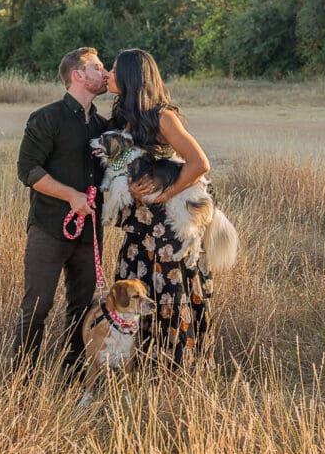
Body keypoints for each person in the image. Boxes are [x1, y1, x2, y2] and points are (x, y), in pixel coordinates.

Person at [107, 48, 215, 368]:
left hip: (164, 229)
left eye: (114, 70)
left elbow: (199, 163)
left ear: (130, 77)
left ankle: (173, 370)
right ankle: (136, 366)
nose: (109, 75)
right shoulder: (122, 116)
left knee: (168, 295)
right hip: (137, 228)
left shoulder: (162, 117)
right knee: (132, 294)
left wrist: (166, 193)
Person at [12, 47, 110, 374]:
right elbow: (28, 170)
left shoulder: (104, 127)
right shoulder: (46, 118)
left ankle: (73, 377)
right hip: (49, 228)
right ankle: (21, 380)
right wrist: (71, 196)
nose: (105, 73)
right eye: (98, 67)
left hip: (90, 233)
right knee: (37, 308)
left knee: (83, 309)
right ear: (78, 75)